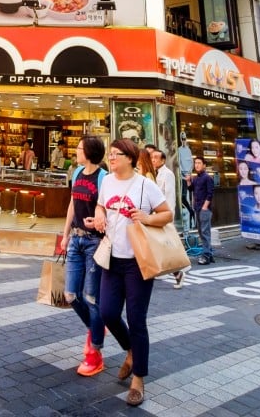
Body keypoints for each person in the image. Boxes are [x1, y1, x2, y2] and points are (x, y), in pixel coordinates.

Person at [93, 138, 173, 407]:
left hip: (138, 262)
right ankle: (131, 351)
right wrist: (100, 214)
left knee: (137, 320)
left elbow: (167, 214)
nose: (111, 158)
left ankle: (139, 378)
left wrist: (147, 217)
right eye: (110, 154)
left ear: (130, 157)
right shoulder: (107, 182)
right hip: (112, 259)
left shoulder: (144, 185)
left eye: (116, 154)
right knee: (108, 312)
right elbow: (101, 204)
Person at [60, 136, 108, 376]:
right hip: (76, 240)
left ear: (89, 152)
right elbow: (72, 204)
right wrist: (65, 234)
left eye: (79, 148)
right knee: (70, 295)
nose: (76, 151)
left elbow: (105, 211)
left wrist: (99, 223)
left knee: (91, 297)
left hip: (93, 243)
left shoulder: (103, 177)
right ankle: (96, 327)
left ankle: (95, 351)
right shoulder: (77, 171)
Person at [150, 148, 185, 289]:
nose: (153, 160)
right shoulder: (153, 174)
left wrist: (167, 216)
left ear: (163, 160)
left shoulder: (168, 174)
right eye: (152, 157)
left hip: (162, 216)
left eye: (156, 158)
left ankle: (178, 272)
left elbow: (169, 196)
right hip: (154, 215)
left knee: (165, 246)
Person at [187, 157, 215, 264]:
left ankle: (206, 255)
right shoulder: (196, 178)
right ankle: (210, 254)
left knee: (205, 232)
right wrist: (189, 181)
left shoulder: (208, 178)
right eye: (195, 163)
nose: (197, 165)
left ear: (204, 165)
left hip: (205, 209)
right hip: (197, 208)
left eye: (199, 163)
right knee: (201, 232)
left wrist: (205, 206)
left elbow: (210, 193)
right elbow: (191, 190)